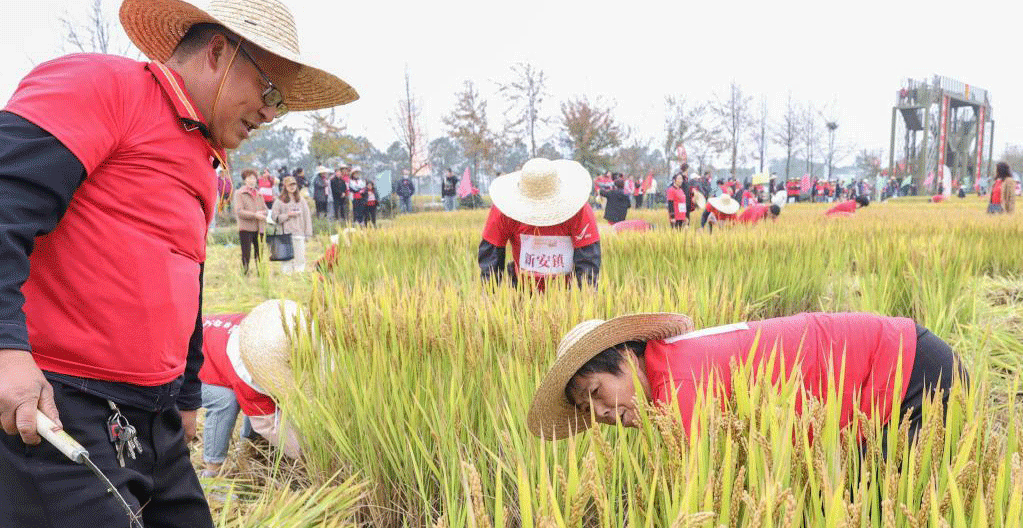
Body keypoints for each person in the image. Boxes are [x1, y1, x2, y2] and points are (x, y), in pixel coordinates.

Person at [0, 0, 357, 526]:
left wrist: (186, 393)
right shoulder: (102, 86)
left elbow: (185, 275)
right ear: (218, 51)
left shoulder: (202, 155)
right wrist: (5, 348)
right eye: (271, 92)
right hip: (60, 402)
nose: (270, 113)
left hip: (154, 415)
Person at [527, 312, 968, 445]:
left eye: (597, 392)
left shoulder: (681, 392)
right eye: (589, 410)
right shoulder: (667, 363)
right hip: (909, 358)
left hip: (913, 374)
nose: (602, 412)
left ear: (625, 354)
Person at [199, 300, 303, 477]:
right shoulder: (247, 374)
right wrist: (305, 452)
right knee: (225, 399)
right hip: (182, 364)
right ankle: (212, 471)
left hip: (211, 344)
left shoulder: (267, 333)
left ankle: (252, 445)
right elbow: (267, 423)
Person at [478, 158, 601, 291]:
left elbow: (588, 261)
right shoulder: (503, 210)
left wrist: (584, 299)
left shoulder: (579, 210)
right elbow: (491, 258)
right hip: (523, 290)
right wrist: (490, 298)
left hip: (567, 292)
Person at [271, 175, 313, 273]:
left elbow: (307, 217)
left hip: (299, 232)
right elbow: (274, 217)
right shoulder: (279, 201)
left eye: (294, 184)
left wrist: (308, 233)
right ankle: (286, 276)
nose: (292, 187)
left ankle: (299, 274)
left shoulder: (301, 200)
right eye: (290, 185)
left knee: (300, 257)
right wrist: (287, 215)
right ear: (285, 186)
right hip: (285, 233)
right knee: (286, 258)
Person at [233, 169, 267, 274]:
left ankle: (261, 274)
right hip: (246, 228)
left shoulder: (259, 194)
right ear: (244, 180)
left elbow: (265, 209)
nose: (252, 180)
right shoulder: (239, 193)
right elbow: (239, 211)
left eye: (253, 178)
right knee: (246, 253)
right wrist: (254, 215)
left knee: (259, 253)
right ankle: (245, 273)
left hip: (259, 227)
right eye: (249, 178)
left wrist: (263, 213)